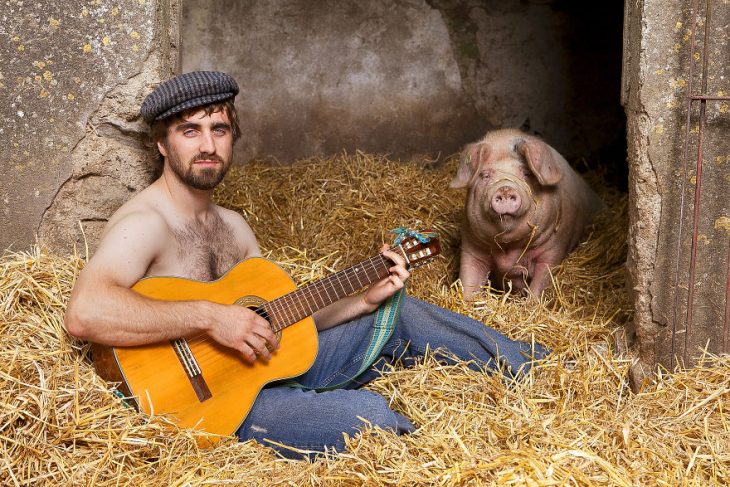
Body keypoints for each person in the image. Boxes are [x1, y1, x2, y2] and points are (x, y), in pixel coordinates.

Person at [64, 71, 548, 459]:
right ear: (163, 145)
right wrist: (212, 317)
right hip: (213, 406)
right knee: (369, 420)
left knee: (398, 311)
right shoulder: (145, 222)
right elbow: (86, 313)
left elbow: (281, 317)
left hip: (267, 367)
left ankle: (539, 372)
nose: (207, 144)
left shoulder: (233, 227)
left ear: (233, 138)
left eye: (219, 129)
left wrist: (360, 300)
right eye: (190, 130)